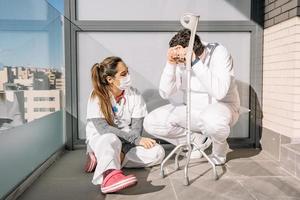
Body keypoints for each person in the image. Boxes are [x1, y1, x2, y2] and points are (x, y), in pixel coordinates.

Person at [143, 29, 240, 165]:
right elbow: (165, 92)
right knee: (151, 122)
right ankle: (198, 141)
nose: (181, 63)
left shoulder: (219, 52)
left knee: (211, 120)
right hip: (192, 109)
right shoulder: (180, 61)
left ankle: (220, 149)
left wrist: (194, 61)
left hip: (222, 108)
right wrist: (171, 63)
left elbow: (219, 92)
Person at [84, 56, 165, 194]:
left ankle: (107, 159)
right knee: (111, 139)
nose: (128, 76)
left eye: (127, 72)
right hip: (102, 138)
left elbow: (136, 129)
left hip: (127, 143)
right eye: (123, 74)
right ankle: (109, 178)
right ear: (110, 79)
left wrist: (125, 148)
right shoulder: (96, 95)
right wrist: (136, 141)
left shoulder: (134, 95)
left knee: (157, 152)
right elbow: (103, 129)